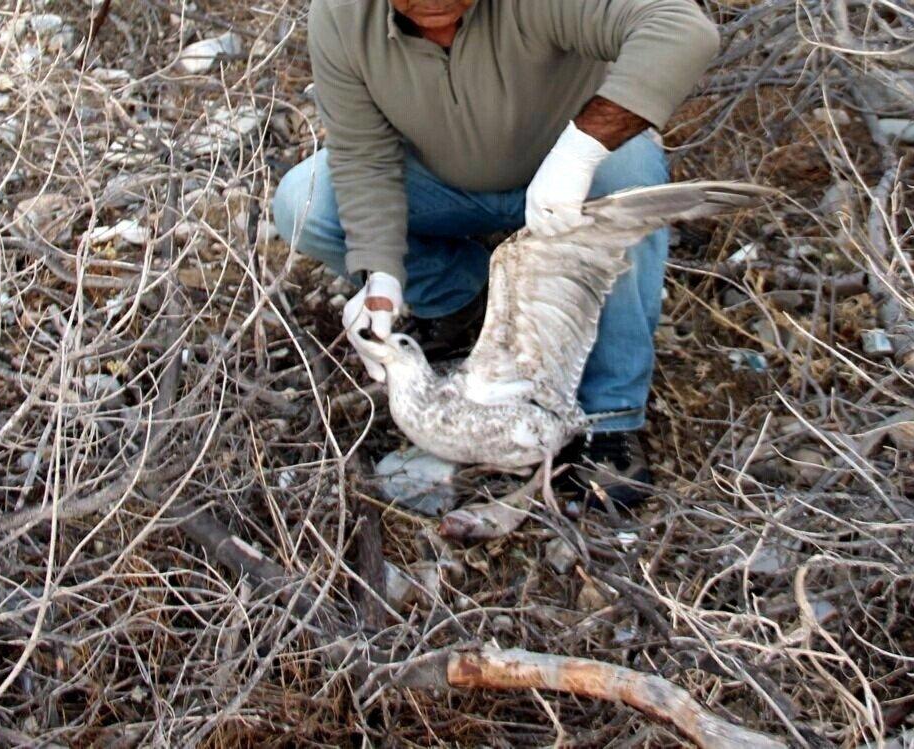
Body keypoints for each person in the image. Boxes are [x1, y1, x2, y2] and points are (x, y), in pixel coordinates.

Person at [273, 0, 719, 507]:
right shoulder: (341, 14)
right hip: (442, 185)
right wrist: (380, 276)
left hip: (566, 182)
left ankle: (610, 416)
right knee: (305, 202)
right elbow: (362, 154)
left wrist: (579, 154)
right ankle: (460, 301)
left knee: (628, 177)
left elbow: (681, 28)